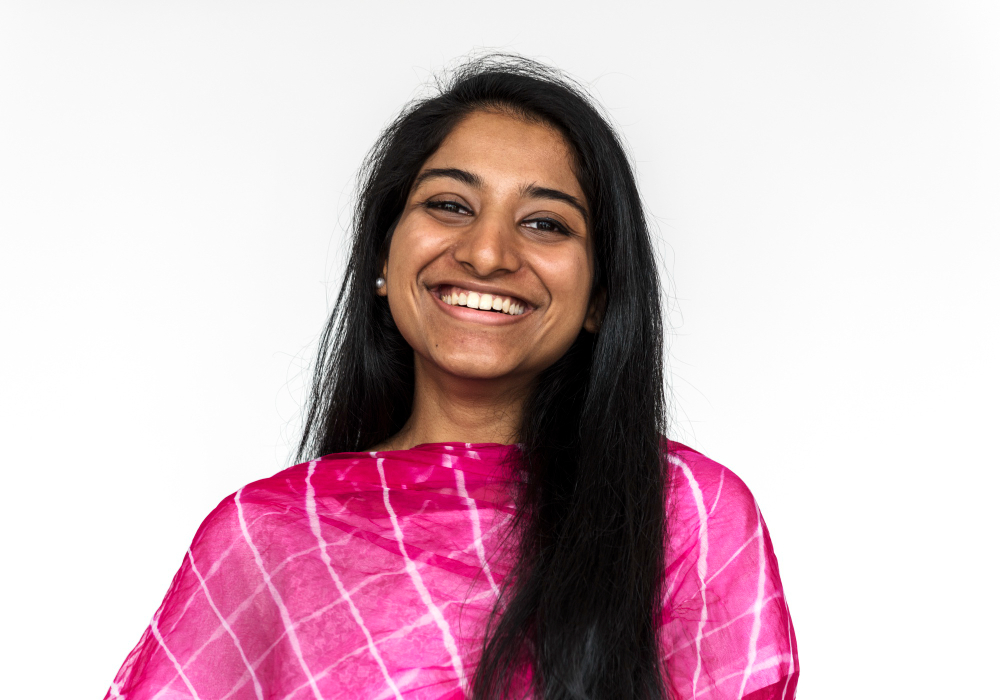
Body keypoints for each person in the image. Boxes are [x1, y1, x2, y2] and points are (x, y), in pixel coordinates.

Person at [105, 56, 798, 700]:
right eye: (450, 206)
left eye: (545, 223)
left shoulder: (682, 515)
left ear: (599, 299)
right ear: (383, 256)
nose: (489, 253)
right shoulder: (272, 539)